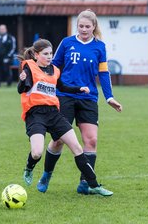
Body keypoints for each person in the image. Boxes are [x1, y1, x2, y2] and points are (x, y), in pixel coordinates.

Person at [36, 9, 122, 194]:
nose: (83, 29)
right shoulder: (67, 43)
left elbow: (104, 73)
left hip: (88, 98)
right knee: (58, 139)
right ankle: (46, 175)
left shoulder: (100, 47)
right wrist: (46, 86)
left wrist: (109, 97)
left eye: (87, 26)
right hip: (65, 95)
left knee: (91, 140)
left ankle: (84, 184)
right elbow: (54, 66)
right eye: (81, 26)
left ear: (94, 27)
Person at [18, 39, 113, 196]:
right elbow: (22, 88)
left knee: (77, 147)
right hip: (35, 115)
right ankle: (29, 168)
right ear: (36, 55)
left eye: (51, 54)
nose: (49, 57)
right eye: (45, 54)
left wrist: (79, 89)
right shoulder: (29, 67)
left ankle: (93, 184)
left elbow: (62, 87)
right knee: (36, 153)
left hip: (53, 114)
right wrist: (22, 81)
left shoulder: (55, 70)